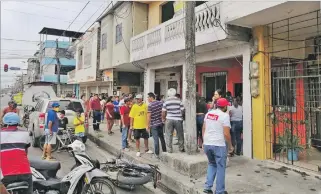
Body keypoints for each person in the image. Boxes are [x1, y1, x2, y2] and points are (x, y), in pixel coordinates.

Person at [202, 98, 234, 194]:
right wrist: (231, 146)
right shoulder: (225, 116)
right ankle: (219, 191)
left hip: (207, 143)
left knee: (212, 164)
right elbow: (226, 134)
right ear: (224, 107)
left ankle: (207, 187)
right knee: (220, 167)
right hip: (218, 145)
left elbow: (204, 128)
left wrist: (205, 141)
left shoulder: (209, 114)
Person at [0, 112, 33, 194]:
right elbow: (26, 152)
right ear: (18, 122)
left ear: (4, 122)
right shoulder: (25, 133)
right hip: (25, 172)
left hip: (5, 174)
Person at [162, 88, 185, 153]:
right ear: (175, 93)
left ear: (168, 94)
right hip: (178, 119)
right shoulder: (179, 100)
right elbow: (182, 110)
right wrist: (182, 117)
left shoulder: (166, 101)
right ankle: (181, 148)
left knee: (168, 134)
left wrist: (163, 119)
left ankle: (169, 150)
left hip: (169, 119)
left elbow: (163, 112)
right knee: (180, 134)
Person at [147, 92, 167, 159]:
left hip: (154, 124)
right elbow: (164, 111)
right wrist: (163, 119)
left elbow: (149, 116)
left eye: (148, 97)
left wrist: (148, 125)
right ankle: (165, 151)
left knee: (156, 140)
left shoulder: (150, 105)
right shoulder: (160, 103)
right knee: (162, 138)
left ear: (151, 97)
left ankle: (157, 154)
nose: (147, 99)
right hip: (160, 123)